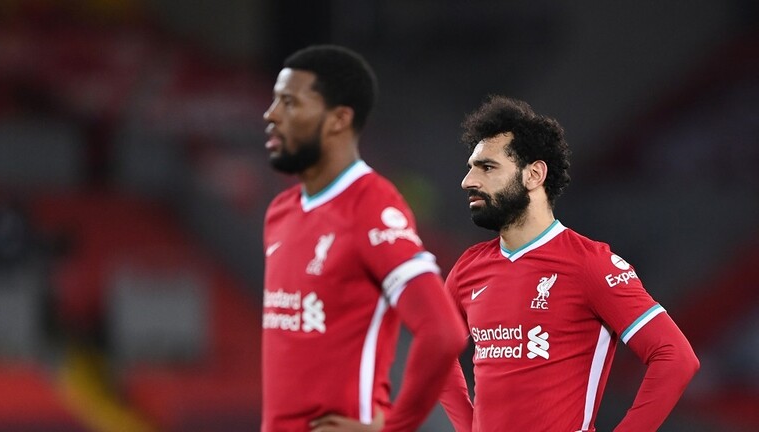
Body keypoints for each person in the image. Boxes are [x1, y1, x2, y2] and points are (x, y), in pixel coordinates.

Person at [439, 95, 700, 431]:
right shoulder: (469, 267)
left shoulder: (590, 264)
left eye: (487, 167)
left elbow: (675, 357)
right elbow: (436, 349)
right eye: (471, 167)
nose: (468, 181)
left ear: (534, 174)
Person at [261, 44, 467, 432]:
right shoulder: (281, 211)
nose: (271, 114)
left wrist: (394, 427)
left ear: (339, 119)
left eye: (289, 103)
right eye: (274, 101)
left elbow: (443, 332)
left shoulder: (370, 205)